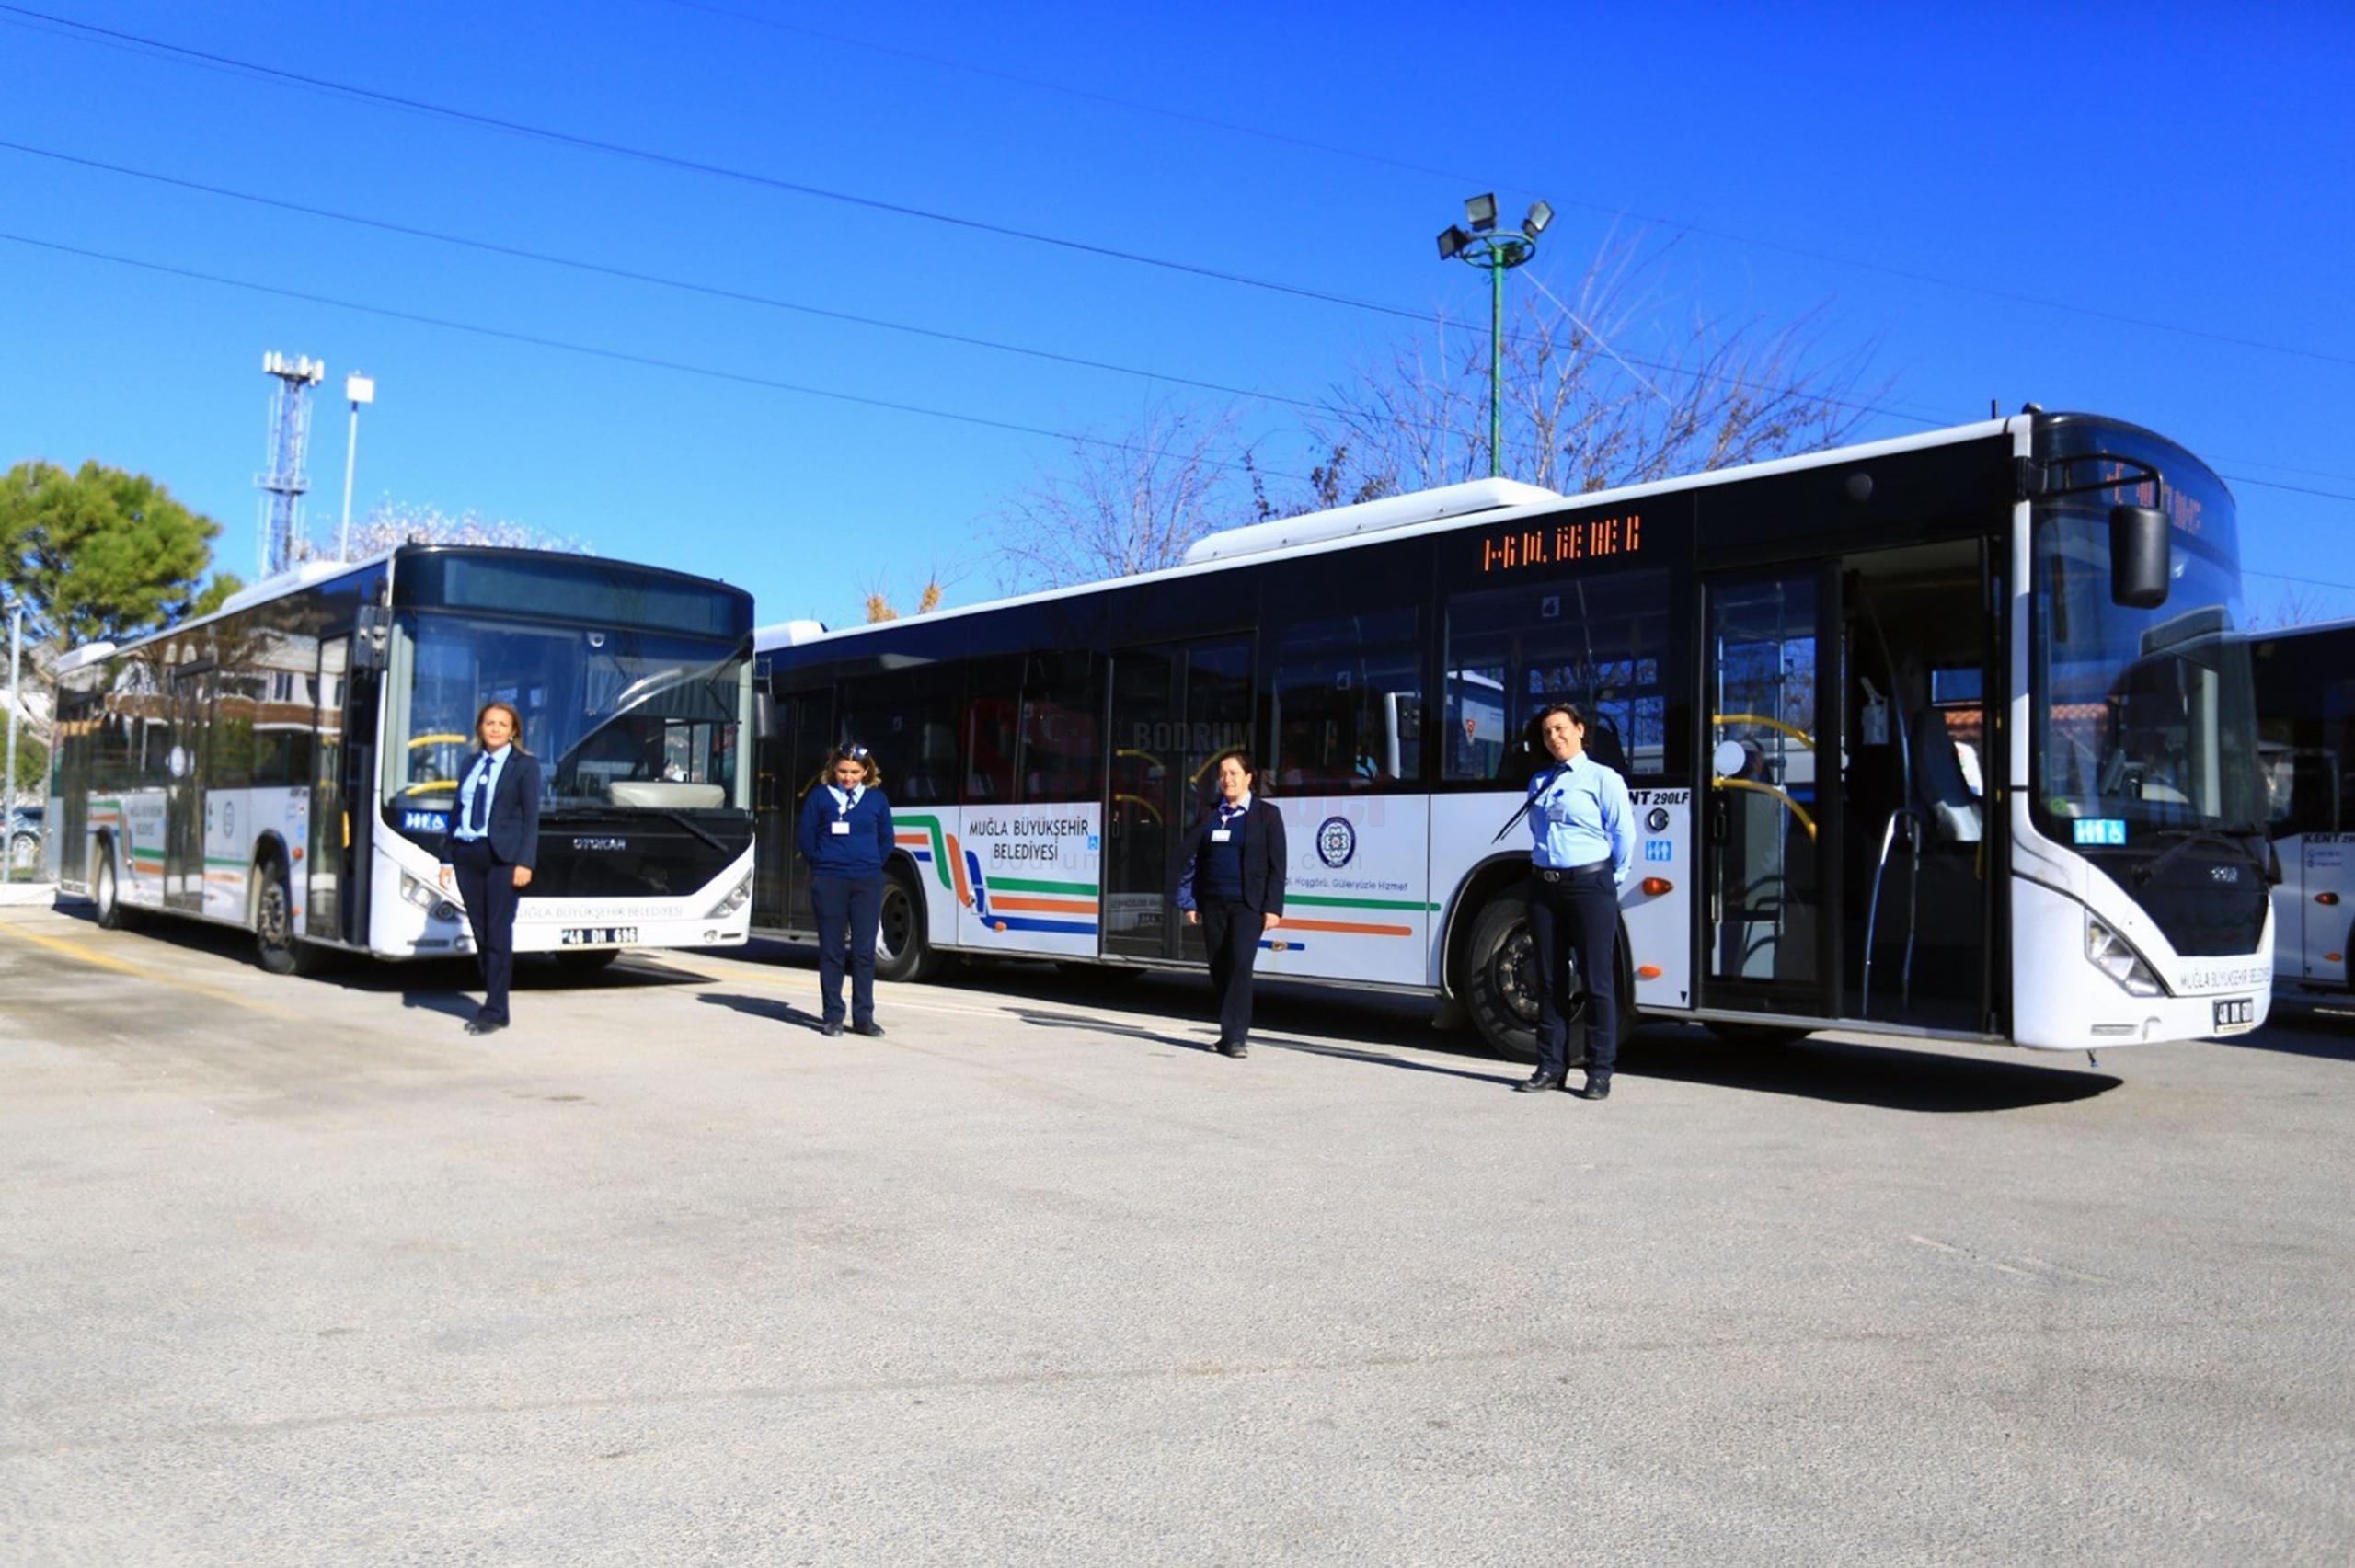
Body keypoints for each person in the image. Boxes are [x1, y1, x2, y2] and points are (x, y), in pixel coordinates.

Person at [1515, 701, 1635, 1099]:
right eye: (1548, 732)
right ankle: (1550, 1066)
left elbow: (1623, 835)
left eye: (1561, 728)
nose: (1555, 737)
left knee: (1597, 980)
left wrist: (1608, 880)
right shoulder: (1538, 783)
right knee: (1550, 981)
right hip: (1544, 887)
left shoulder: (1604, 779)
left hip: (1590, 886)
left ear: (1580, 730)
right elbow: (1538, 832)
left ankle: (1600, 1071)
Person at [1169, 749, 1287, 1059]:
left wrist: (1273, 907)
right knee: (1219, 968)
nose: (1227, 779)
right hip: (1213, 904)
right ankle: (1226, 1034)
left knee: (1240, 965)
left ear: (1249, 778)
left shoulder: (1267, 815)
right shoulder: (1210, 813)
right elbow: (1193, 858)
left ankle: (1236, 1037)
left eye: (1233, 773)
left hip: (1248, 905)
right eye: (1222, 774)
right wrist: (1190, 901)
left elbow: (1278, 866)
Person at [439, 700, 542, 1036]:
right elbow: (456, 812)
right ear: (480, 728)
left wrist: (525, 861)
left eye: (502, 724)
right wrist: (446, 857)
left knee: (498, 933)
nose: (495, 728)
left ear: (513, 731)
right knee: (482, 934)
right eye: (489, 723)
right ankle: (493, 999)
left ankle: (496, 1010)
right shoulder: (470, 763)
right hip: (468, 855)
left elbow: (531, 818)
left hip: (504, 859)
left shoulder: (525, 766)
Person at [797, 744, 893, 1037]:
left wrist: (870, 863)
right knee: (832, 950)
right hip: (830, 880)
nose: (848, 778)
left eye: (854, 772)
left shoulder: (877, 800)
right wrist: (825, 864)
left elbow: (886, 839)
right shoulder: (820, 797)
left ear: (866, 771)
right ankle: (833, 1016)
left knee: (864, 951)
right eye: (842, 771)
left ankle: (864, 1017)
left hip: (866, 881)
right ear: (833, 770)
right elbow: (806, 838)